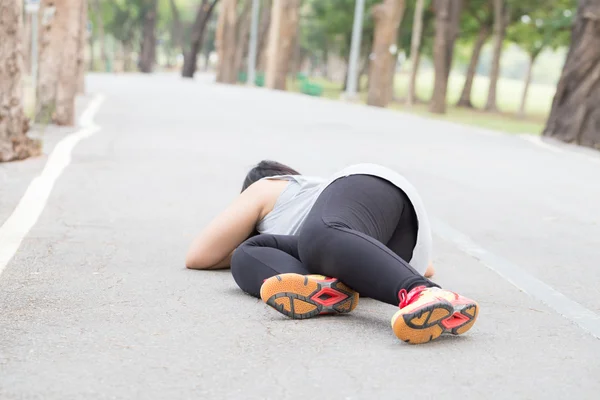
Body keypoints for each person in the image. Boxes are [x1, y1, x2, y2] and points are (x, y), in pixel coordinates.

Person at [186, 161, 479, 344]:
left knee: (315, 238)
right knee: (246, 255)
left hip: (374, 186)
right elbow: (424, 264)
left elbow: (199, 256)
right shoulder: (280, 239)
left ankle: (424, 293)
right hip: (400, 240)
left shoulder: (271, 186)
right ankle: (327, 292)